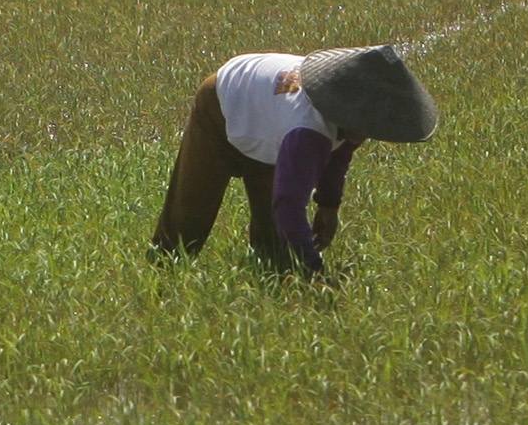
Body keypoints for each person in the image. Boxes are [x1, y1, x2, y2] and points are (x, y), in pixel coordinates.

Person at [149, 45, 441, 274]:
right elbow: (289, 205)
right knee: (191, 208)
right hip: (225, 100)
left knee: (275, 240)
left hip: (271, 112)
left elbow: (340, 154)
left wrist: (328, 205)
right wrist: (314, 269)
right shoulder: (307, 132)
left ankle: (269, 271)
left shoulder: (346, 111)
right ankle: (161, 273)